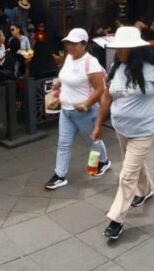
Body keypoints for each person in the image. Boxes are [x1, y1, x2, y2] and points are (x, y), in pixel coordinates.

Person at [91, 27, 154, 241]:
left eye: (122, 48)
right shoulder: (116, 67)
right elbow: (106, 97)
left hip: (144, 131)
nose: (118, 52)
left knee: (127, 174)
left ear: (134, 49)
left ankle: (116, 219)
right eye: (117, 48)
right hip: (121, 129)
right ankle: (147, 189)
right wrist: (97, 124)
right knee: (134, 164)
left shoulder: (152, 70)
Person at [44, 28, 111, 190]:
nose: (70, 47)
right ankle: (59, 175)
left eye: (74, 44)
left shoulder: (91, 62)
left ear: (83, 44)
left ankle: (102, 162)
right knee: (63, 143)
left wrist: (86, 105)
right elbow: (65, 76)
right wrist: (58, 82)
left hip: (85, 112)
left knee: (92, 141)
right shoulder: (68, 58)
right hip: (66, 111)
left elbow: (100, 89)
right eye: (68, 43)